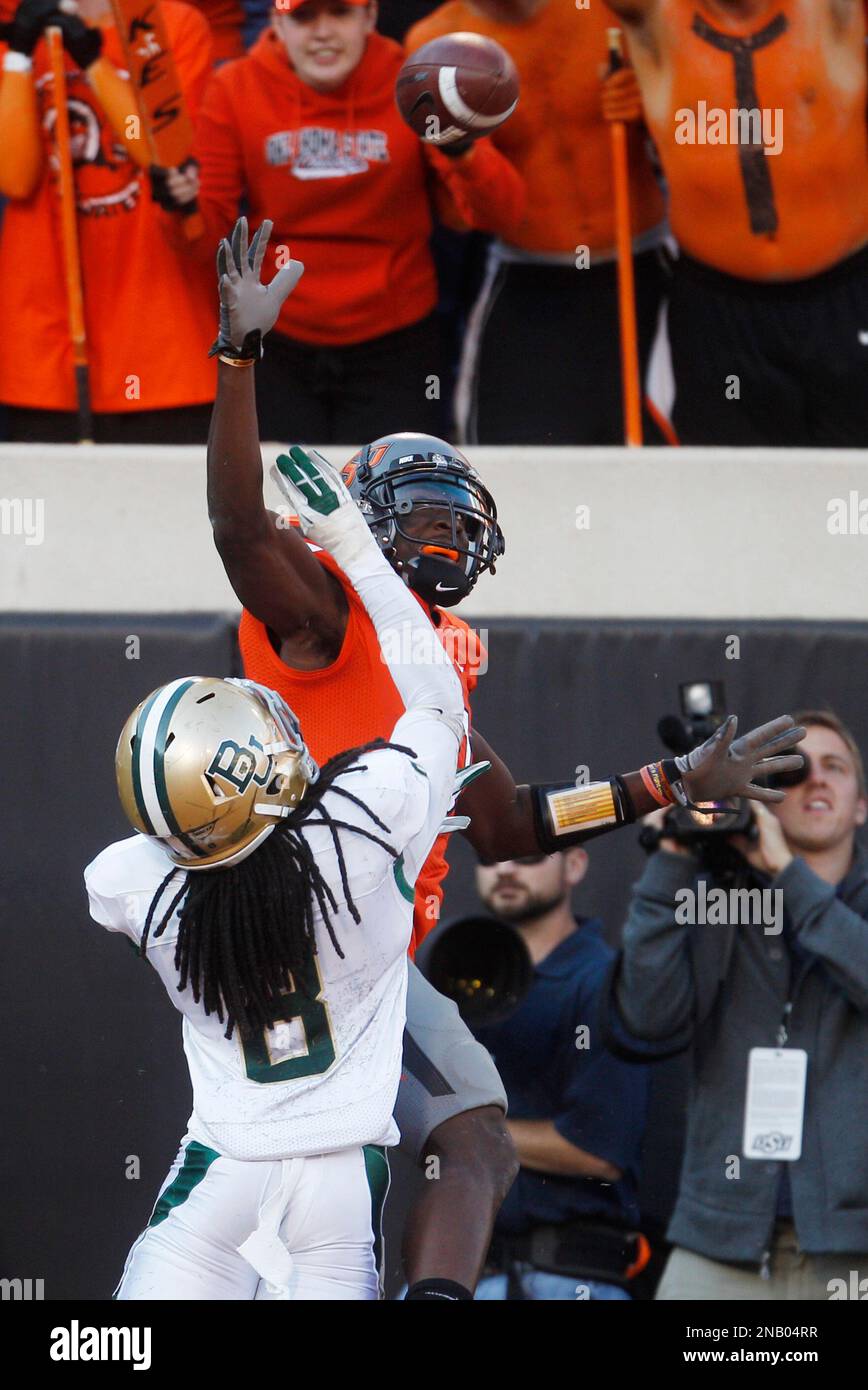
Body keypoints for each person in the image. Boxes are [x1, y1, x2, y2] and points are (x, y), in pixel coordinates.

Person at [206, 212, 807, 1298]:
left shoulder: (424, 675)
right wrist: (240, 359)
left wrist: (667, 783)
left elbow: (516, 822)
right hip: (295, 942)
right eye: (417, 515)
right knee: (290, 1188)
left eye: (451, 518)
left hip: (378, 961)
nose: (439, 536)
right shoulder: (320, 610)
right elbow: (244, 528)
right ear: (357, 523)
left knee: (472, 1141)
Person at [85, 445, 471, 1299]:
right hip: (336, 1189)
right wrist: (359, 553)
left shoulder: (138, 886)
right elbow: (439, 703)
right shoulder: (361, 825)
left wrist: (197, 818)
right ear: (276, 760)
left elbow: (148, 855)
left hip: (217, 1179)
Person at [163, 0, 525, 442]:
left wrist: (460, 149)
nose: (322, 32)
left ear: (370, 16)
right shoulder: (235, 87)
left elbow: (501, 214)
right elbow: (207, 239)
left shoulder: (411, 80)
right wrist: (180, 207)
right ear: (276, 20)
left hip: (396, 341)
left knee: (396, 502)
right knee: (286, 504)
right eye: (303, 17)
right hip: (278, 341)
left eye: (339, 12)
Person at [603, 710, 868, 1299]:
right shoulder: (720, 897)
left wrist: (789, 876)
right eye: (797, 770)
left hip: (854, 1250)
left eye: (836, 768)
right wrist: (672, 854)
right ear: (766, 798)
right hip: (720, 1239)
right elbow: (647, 1016)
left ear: (861, 805)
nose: (817, 781)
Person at [605, 0, 868, 446]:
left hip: (848, 300)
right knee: (732, 494)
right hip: (719, 317)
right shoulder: (654, 16)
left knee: (855, 490)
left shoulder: (829, 8)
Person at [406, 0, 668, 444]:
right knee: (512, 468)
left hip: (646, 265)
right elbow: (473, 217)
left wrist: (653, 98)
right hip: (527, 280)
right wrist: (465, 154)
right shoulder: (436, 47)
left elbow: (701, 119)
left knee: (684, 467)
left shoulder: (613, 9)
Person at [0, 0, 217, 442]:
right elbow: (15, 177)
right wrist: (19, 58)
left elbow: (160, 153)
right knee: (46, 509)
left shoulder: (168, 25)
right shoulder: (14, 32)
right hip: (43, 354)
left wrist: (95, 64)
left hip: (160, 342)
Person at [468, 849, 651, 1300]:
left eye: (528, 854)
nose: (506, 867)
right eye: (489, 855)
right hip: (454, 1272)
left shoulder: (605, 981)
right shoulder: (455, 979)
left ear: (574, 865)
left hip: (564, 1279)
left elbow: (598, 1149)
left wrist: (462, 1133)